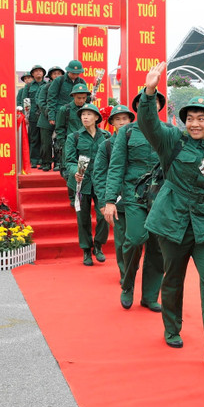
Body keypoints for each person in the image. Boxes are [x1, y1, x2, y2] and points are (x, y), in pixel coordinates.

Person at [138, 62, 204, 361]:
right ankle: (172, 328)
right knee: (173, 279)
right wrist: (149, 91)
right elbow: (148, 125)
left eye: (202, 118)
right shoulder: (171, 141)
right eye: (191, 118)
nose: (195, 123)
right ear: (184, 121)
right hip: (173, 221)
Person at [103, 89, 165, 312]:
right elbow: (116, 166)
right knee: (136, 239)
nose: (149, 105)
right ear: (138, 106)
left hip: (160, 198)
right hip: (133, 195)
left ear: (159, 106)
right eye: (144, 102)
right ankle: (128, 284)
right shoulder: (126, 132)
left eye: (154, 101)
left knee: (158, 248)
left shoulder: (167, 131)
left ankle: (149, 296)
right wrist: (109, 200)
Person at [92, 104, 135, 281]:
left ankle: (137, 267)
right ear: (112, 123)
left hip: (139, 198)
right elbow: (99, 175)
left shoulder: (139, 140)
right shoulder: (106, 146)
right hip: (117, 199)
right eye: (117, 119)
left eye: (125, 118)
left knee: (138, 239)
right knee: (122, 240)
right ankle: (125, 274)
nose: (122, 122)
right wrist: (103, 202)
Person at [65, 103, 109, 266]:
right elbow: (69, 160)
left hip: (100, 182)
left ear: (97, 117)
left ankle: (98, 245)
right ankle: (86, 250)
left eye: (89, 114)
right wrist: (73, 171)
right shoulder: (74, 137)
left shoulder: (106, 136)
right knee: (82, 218)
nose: (85, 117)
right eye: (83, 114)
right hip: (80, 183)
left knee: (104, 215)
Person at [55, 82, 92, 190]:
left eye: (84, 98)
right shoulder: (65, 110)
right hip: (69, 144)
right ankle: (73, 197)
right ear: (73, 96)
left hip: (85, 144)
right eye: (79, 98)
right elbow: (59, 128)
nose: (81, 100)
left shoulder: (89, 110)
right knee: (69, 171)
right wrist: (63, 144)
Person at [36, 66, 63, 171]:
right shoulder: (45, 87)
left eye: (59, 73)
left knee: (59, 141)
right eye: (54, 73)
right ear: (50, 76)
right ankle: (46, 162)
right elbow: (41, 102)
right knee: (45, 143)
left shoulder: (64, 88)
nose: (56, 75)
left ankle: (58, 162)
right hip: (45, 119)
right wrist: (50, 113)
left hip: (61, 118)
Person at [23, 65, 47, 168]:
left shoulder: (48, 84)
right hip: (32, 115)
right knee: (33, 138)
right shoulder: (28, 86)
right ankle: (33, 160)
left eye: (40, 71)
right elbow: (24, 100)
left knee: (44, 138)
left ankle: (42, 159)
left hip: (44, 115)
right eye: (36, 71)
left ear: (43, 73)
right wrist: (25, 115)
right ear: (32, 74)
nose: (38, 73)